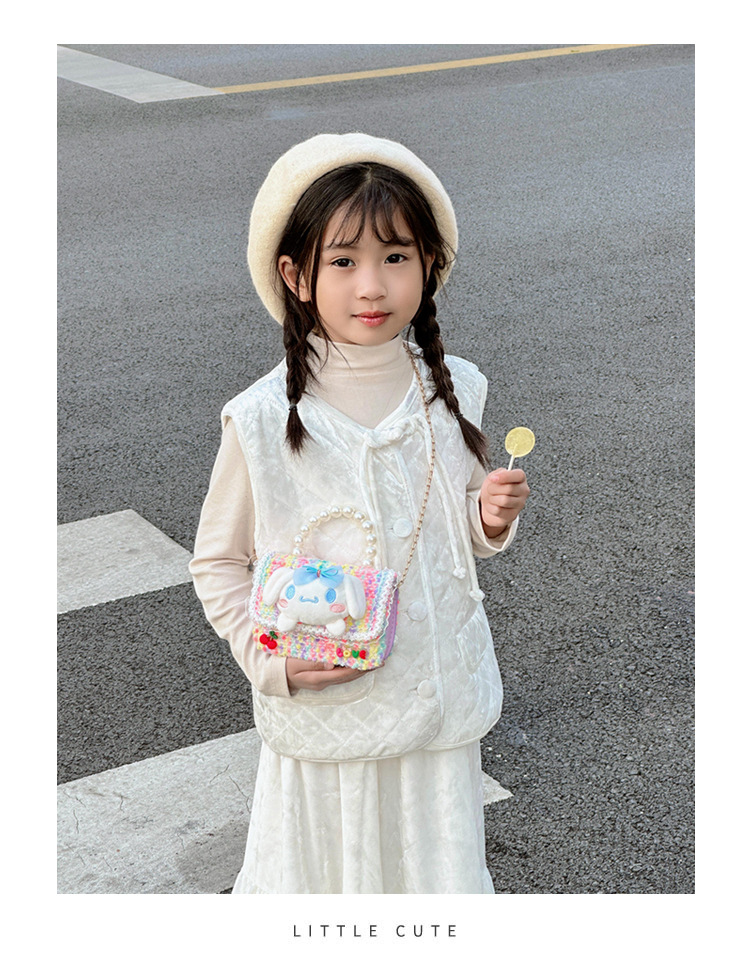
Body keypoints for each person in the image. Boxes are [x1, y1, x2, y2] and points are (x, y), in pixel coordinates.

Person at [189, 132, 530, 894]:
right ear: (295, 275)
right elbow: (217, 561)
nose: (372, 286)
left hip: (436, 710)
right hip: (329, 715)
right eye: (343, 262)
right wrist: (268, 662)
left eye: (395, 256)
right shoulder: (261, 417)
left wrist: (487, 518)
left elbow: (449, 530)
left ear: (429, 264)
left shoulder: (455, 390)